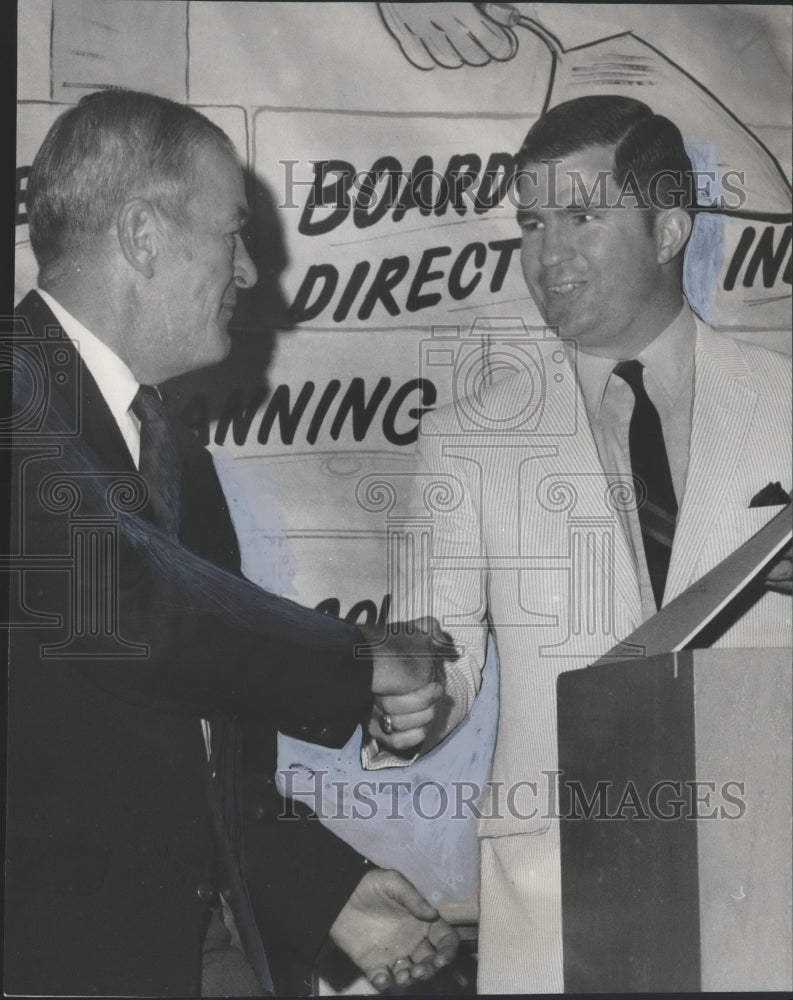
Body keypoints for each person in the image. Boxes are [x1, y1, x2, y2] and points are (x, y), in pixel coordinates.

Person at [5, 88, 455, 997]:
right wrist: (362, 654)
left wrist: (331, 892)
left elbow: (187, 753)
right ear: (142, 234)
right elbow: (128, 606)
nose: (250, 273)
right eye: (232, 234)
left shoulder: (177, 461)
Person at [368, 95, 792, 992]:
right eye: (529, 222)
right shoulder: (464, 438)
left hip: (772, 885)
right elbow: (431, 656)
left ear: (669, 227)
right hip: (559, 905)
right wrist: (411, 705)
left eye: (580, 217)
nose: (545, 255)